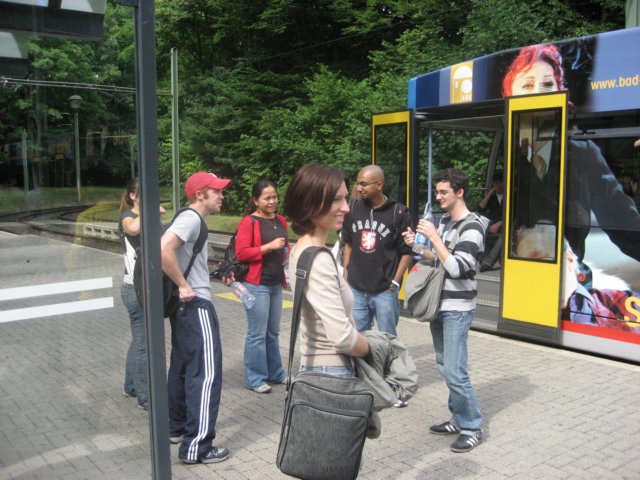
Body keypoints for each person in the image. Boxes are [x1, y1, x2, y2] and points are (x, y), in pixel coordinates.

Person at [503, 43, 640, 267]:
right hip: (520, 267)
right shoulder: (513, 154)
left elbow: (622, 220)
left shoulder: (583, 153)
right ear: (510, 94)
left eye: (548, 84)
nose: (538, 92)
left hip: (565, 274)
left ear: (561, 92)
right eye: (527, 85)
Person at [402, 168, 485, 453]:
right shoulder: (447, 222)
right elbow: (439, 260)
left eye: (443, 192)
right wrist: (417, 246)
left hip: (457, 308)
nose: (438, 197)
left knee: (455, 370)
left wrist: (434, 238)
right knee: (443, 365)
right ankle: (458, 418)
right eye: (437, 191)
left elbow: (459, 268)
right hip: (440, 303)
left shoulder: (472, 226)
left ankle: (472, 426)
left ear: (459, 193)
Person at [161, 171, 231, 465]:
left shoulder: (188, 218)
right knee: (206, 374)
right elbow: (163, 249)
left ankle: (176, 427)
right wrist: (184, 285)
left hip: (184, 308)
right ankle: (197, 447)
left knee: (182, 368)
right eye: (217, 191)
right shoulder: (191, 219)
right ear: (200, 193)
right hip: (196, 305)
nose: (222, 196)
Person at [284, 163, 370, 377]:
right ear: (309, 202)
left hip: (317, 367)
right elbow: (343, 337)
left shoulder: (301, 249)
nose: (346, 208)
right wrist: (376, 349)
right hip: (333, 372)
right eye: (336, 199)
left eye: (345, 198)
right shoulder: (318, 259)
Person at [341, 165, 412, 336]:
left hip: (385, 290)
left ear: (379, 185)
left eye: (364, 184)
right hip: (356, 288)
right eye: (358, 183)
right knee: (357, 338)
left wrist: (395, 282)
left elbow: (407, 252)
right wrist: (346, 275)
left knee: (387, 339)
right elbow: (348, 243)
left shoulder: (398, 212)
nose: (359, 188)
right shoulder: (353, 208)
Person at [234, 179, 289, 394]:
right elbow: (241, 253)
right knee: (257, 334)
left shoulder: (280, 220)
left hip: (276, 285)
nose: (272, 201)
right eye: (267, 198)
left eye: (274, 197)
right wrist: (268, 247)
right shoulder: (249, 222)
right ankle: (254, 378)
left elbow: (284, 249)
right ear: (256, 200)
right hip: (256, 285)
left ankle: (276, 373)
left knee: (272, 332)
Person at [118, 177, 165, 411]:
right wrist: (151, 211)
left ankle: (130, 386)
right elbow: (133, 229)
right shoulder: (128, 216)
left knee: (139, 340)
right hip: (134, 288)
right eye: (144, 192)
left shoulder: (146, 215)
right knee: (143, 344)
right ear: (133, 196)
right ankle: (145, 396)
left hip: (145, 285)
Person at [477, 171, 504, 271]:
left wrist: (500, 223)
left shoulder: (511, 196)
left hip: (507, 228)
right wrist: (489, 194)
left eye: (500, 182)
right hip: (493, 228)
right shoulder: (492, 198)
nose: (497, 185)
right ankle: (481, 259)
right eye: (495, 182)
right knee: (482, 233)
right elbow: (480, 208)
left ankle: (488, 262)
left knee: (504, 237)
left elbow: (513, 216)